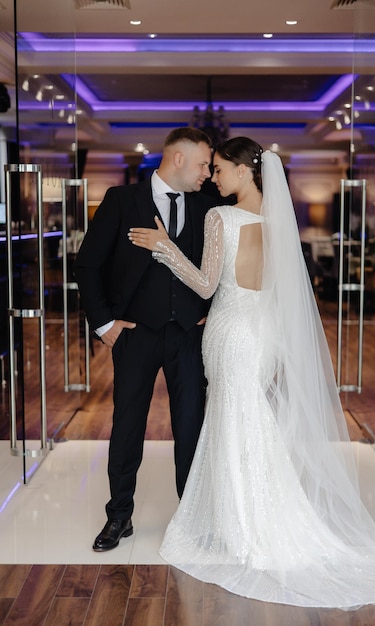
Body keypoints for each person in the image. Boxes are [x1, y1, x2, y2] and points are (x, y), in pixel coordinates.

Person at [128, 136, 375, 609]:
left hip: (229, 332)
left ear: (245, 172)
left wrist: (163, 247)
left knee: (231, 422)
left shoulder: (220, 217)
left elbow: (204, 283)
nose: (215, 178)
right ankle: (250, 518)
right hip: (261, 337)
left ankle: (243, 529)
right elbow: (281, 297)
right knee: (248, 422)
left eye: (220, 169)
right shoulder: (280, 223)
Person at [74, 127, 216, 552]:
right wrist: (105, 325)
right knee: (127, 426)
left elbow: (219, 268)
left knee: (191, 428)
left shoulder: (209, 207)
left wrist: (214, 311)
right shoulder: (121, 200)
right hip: (133, 336)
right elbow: (87, 266)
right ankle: (119, 516)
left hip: (189, 337)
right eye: (203, 163)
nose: (207, 173)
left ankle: (190, 520)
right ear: (178, 159)